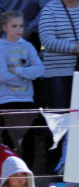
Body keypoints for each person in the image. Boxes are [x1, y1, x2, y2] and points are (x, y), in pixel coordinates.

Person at [0, 11, 44, 157]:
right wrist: (27, 75)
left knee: (28, 140)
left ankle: (27, 174)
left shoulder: (28, 46)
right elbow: (2, 74)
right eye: (14, 26)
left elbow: (40, 69)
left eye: (21, 26)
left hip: (26, 99)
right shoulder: (1, 46)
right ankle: (9, 175)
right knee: (9, 140)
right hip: (7, 100)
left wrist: (18, 71)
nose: (18, 30)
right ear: (4, 27)